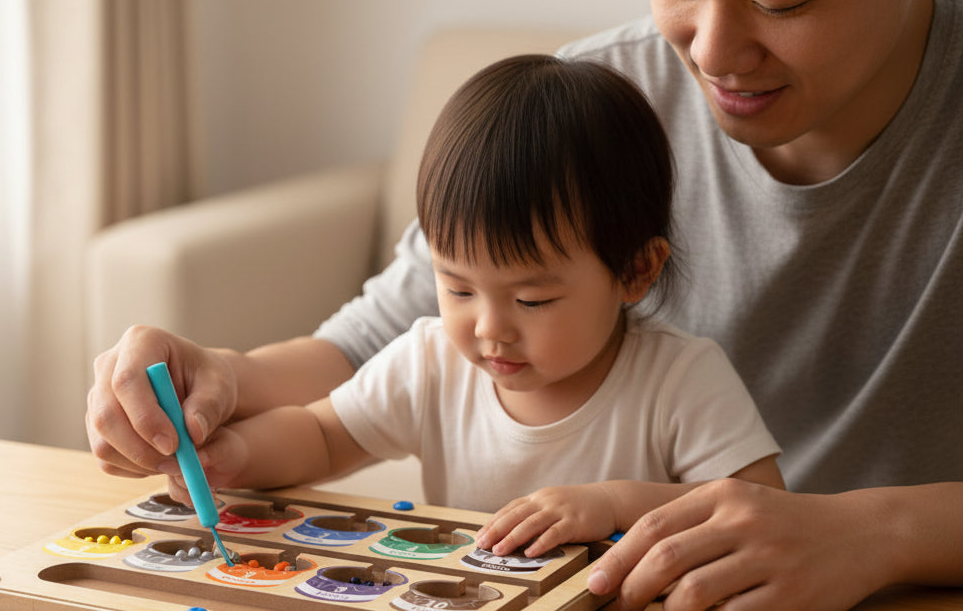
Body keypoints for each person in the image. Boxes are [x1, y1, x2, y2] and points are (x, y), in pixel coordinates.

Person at [86, 0, 963, 611]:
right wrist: (218, 388)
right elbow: (377, 345)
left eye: (780, 1)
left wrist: (872, 534)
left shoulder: (675, 365)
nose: (712, 52)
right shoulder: (591, 103)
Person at [161, 55, 783, 554]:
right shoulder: (432, 362)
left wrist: (615, 505)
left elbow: (760, 510)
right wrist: (230, 457)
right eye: (457, 289)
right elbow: (322, 436)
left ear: (636, 270)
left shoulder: (682, 379)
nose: (489, 329)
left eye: (533, 299)